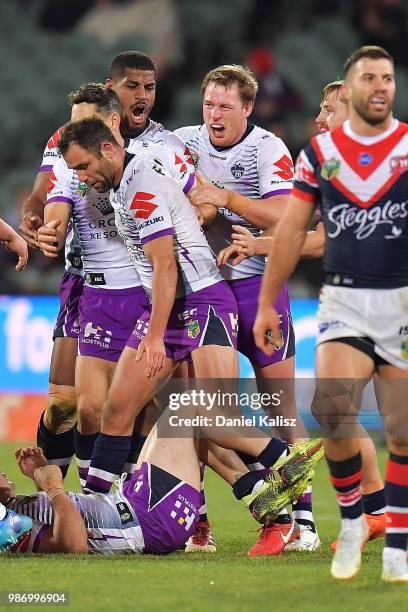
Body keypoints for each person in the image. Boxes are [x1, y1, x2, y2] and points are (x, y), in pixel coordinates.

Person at [253, 46, 408, 582]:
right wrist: (267, 297)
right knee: (329, 406)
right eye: (368, 78)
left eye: (385, 78)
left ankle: (394, 538)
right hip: (344, 300)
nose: (378, 87)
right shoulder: (319, 156)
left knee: (399, 424)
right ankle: (356, 519)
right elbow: (300, 233)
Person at [18, 50, 192, 482]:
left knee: (146, 406)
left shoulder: (163, 148)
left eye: (148, 87)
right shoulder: (68, 137)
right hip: (83, 282)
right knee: (66, 406)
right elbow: (49, 193)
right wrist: (39, 221)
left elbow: (199, 201)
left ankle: (129, 501)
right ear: (113, 90)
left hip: (142, 285)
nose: (143, 95)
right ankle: (59, 498)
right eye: (133, 85)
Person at [175, 64, 319, 554]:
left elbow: (286, 214)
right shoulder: (185, 141)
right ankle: (198, 524)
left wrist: (226, 198)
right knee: (199, 407)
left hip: (259, 288)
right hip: (206, 288)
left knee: (280, 408)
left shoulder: (267, 148)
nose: (214, 115)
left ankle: (305, 523)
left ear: (248, 109)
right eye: (209, 104)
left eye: (225, 106)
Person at [2, 407, 322, 554]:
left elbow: (52, 524)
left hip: (135, 508)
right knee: (186, 411)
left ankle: (256, 493)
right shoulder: (3, 526)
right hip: (148, 520)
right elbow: (71, 544)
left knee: (174, 414)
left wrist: (39, 474)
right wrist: (52, 485)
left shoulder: (10, 513)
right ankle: (285, 459)